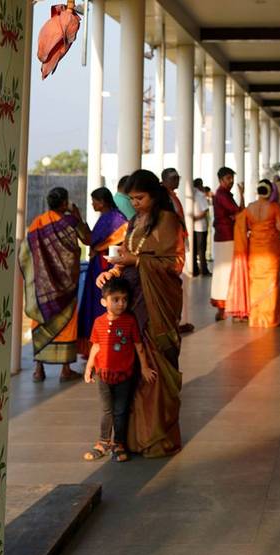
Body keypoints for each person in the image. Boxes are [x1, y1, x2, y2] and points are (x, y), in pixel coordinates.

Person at [96, 169, 184, 458]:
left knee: (154, 364)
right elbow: (127, 254)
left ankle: (156, 436)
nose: (135, 204)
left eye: (140, 198)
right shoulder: (135, 221)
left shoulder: (168, 220)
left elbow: (174, 263)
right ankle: (129, 438)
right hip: (133, 298)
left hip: (157, 301)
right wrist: (113, 271)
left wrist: (135, 261)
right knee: (131, 364)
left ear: (154, 194)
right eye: (131, 199)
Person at [20, 186, 91, 383]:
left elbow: (26, 252)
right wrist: (78, 216)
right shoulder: (71, 221)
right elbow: (88, 239)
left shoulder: (37, 223)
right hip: (67, 283)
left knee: (41, 319)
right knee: (67, 322)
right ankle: (65, 370)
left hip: (44, 286)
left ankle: (38, 369)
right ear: (64, 203)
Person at [82, 277, 156, 463]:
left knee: (120, 410)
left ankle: (119, 444)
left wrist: (145, 368)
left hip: (124, 375)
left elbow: (138, 345)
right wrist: (89, 367)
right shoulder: (98, 322)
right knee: (106, 410)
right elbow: (96, 346)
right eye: (115, 299)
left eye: (124, 299)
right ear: (104, 301)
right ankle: (102, 442)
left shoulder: (130, 322)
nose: (121, 304)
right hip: (103, 375)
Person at [76, 187, 128, 357]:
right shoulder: (105, 217)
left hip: (107, 266)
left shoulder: (115, 218)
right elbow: (90, 240)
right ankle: (94, 345)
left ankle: (106, 344)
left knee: (104, 304)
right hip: (97, 265)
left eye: (95, 201)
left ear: (103, 201)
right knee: (95, 303)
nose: (92, 204)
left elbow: (97, 241)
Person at [244, 179, 280, 327]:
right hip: (271, 249)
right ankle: (270, 318)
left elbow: (246, 226)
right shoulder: (274, 207)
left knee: (255, 282)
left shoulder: (249, 208)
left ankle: (255, 318)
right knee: (271, 281)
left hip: (255, 250)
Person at [161, 168, 194, 334]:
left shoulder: (172, 196)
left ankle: (182, 319)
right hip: (172, 247)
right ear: (166, 179)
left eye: (178, 177)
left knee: (183, 282)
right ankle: (176, 320)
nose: (177, 181)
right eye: (174, 178)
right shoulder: (163, 197)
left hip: (179, 243)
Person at [210, 166, 244, 320]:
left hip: (227, 236)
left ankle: (225, 307)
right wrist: (242, 195)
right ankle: (222, 307)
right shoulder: (222, 195)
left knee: (225, 272)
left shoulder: (225, 194)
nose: (231, 181)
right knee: (224, 272)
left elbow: (238, 212)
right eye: (228, 179)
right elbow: (238, 211)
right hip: (226, 237)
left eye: (232, 178)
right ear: (221, 180)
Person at [191, 178, 211, 276]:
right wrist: (195, 218)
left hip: (196, 226)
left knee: (195, 249)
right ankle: (203, 270)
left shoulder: (193, 195)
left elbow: (204, 211)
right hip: (200, 227)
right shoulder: (200, 195)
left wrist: (193, 219)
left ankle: (196, 269)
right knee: (201, 250)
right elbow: (205, 211)